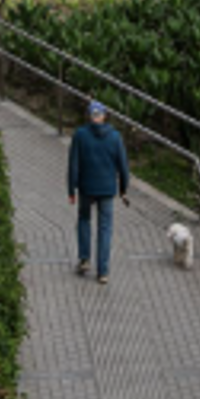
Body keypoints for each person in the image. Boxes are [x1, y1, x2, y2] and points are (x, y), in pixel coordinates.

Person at [67, 99, 129, 284]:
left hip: (86, 188)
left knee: (84, 219)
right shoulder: (115, 137)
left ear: (89, 116)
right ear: (104, 116)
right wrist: (123, 190)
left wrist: (71, 189)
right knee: (105, 229)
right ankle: (103, 272)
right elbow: (123, 167)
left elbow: (73, 165)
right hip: (107, 190)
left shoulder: (80, 135)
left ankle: (85, 259)